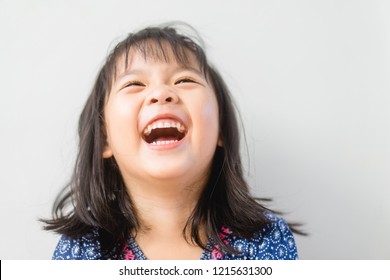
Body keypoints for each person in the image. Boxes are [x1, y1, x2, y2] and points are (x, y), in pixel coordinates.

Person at [43, 23, 300, 260]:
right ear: (104, 138)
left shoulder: (265, 240)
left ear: (221, 128)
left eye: (184, 80)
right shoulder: (82, 252)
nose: (161, 94)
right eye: (134, 84)